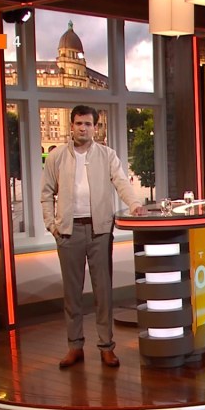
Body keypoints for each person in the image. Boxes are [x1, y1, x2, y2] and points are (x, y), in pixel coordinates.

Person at [40, 105, 145, 369]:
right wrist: (52, 225)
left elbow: (121, 182)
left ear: (95, 128)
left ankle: (106, 347)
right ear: (71, 126)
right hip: (68, 232)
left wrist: (134, 204)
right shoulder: (56, 157)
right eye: (78, 123)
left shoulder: (107, 155)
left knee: (103, 292)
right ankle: (74, 346)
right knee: (72, 293)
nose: (83, 128)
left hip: (100, 231)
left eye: (88, 124)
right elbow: (46, 193)